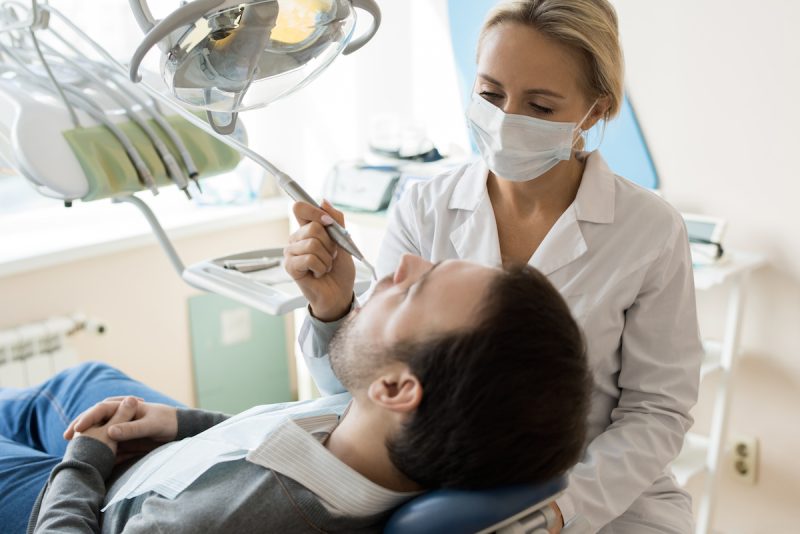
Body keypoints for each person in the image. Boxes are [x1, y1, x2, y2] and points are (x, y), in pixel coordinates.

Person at [284, 1, 704, 532]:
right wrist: (332, 307)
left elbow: (657, 411)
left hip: (603, 501)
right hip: (439, 494)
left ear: (595, 111)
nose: (506, 121)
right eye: (490, 94)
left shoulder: (649, 230)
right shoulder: (425, 205)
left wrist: (557, 513)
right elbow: (362, 388)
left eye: (541, 107)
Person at [1, 255, 590, 534]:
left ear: (394, 387)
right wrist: (180, 424)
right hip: (172, 461)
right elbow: (268, 443)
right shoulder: (373, 433)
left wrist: (86, 463)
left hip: (94, 503)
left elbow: (251, 485)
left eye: (412, 292)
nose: (399, 265)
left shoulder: (222, 523)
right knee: (79, 379)